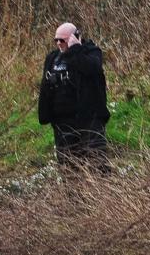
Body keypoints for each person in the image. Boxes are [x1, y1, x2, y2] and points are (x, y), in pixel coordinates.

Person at [38, 22, 111, 167]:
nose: (59, 43)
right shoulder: (53, 58)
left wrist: (75, 49)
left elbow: (91, 68)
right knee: (68, 166)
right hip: (63, 123)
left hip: (89, 120)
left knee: (97, 164)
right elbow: (45, 86)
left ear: (74, 37)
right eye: (56, 40)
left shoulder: (90, 52)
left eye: (63, 40)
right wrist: (46, 115)